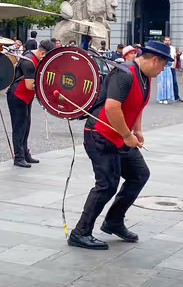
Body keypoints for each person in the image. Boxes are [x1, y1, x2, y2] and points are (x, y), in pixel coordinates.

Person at [67, 41, 171, 250]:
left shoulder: (145, 76)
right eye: (163, 65)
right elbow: (112, 107)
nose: (162, 70)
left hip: (120, 136)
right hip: (100, 135)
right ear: (154, 60)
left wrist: (137, 130)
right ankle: (80, 233)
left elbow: (137, 105)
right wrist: (126, 135)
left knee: (139, 174)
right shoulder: (124, 73)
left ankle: (113, 221)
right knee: (107, 185)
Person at [7, 39, 54, 168]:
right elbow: (29, 85)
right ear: (43, 52)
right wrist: (45, 86)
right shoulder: (29, 62)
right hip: (18, 96)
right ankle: (19, 157)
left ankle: (25, 153)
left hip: (26, 97)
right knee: (19, 128)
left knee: (26, 126)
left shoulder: (34, 57)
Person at [164, 37, 183, 102]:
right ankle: (164, 97)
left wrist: (174, 65)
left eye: (168, 40)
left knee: (174, 82)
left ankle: (176, 96)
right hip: (164, 68)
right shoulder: (162, 47)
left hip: (171, 67)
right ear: (164, 41)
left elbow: (174, 57)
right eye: (166, 40)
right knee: (164, 83)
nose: (167, 41)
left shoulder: (172, 48)